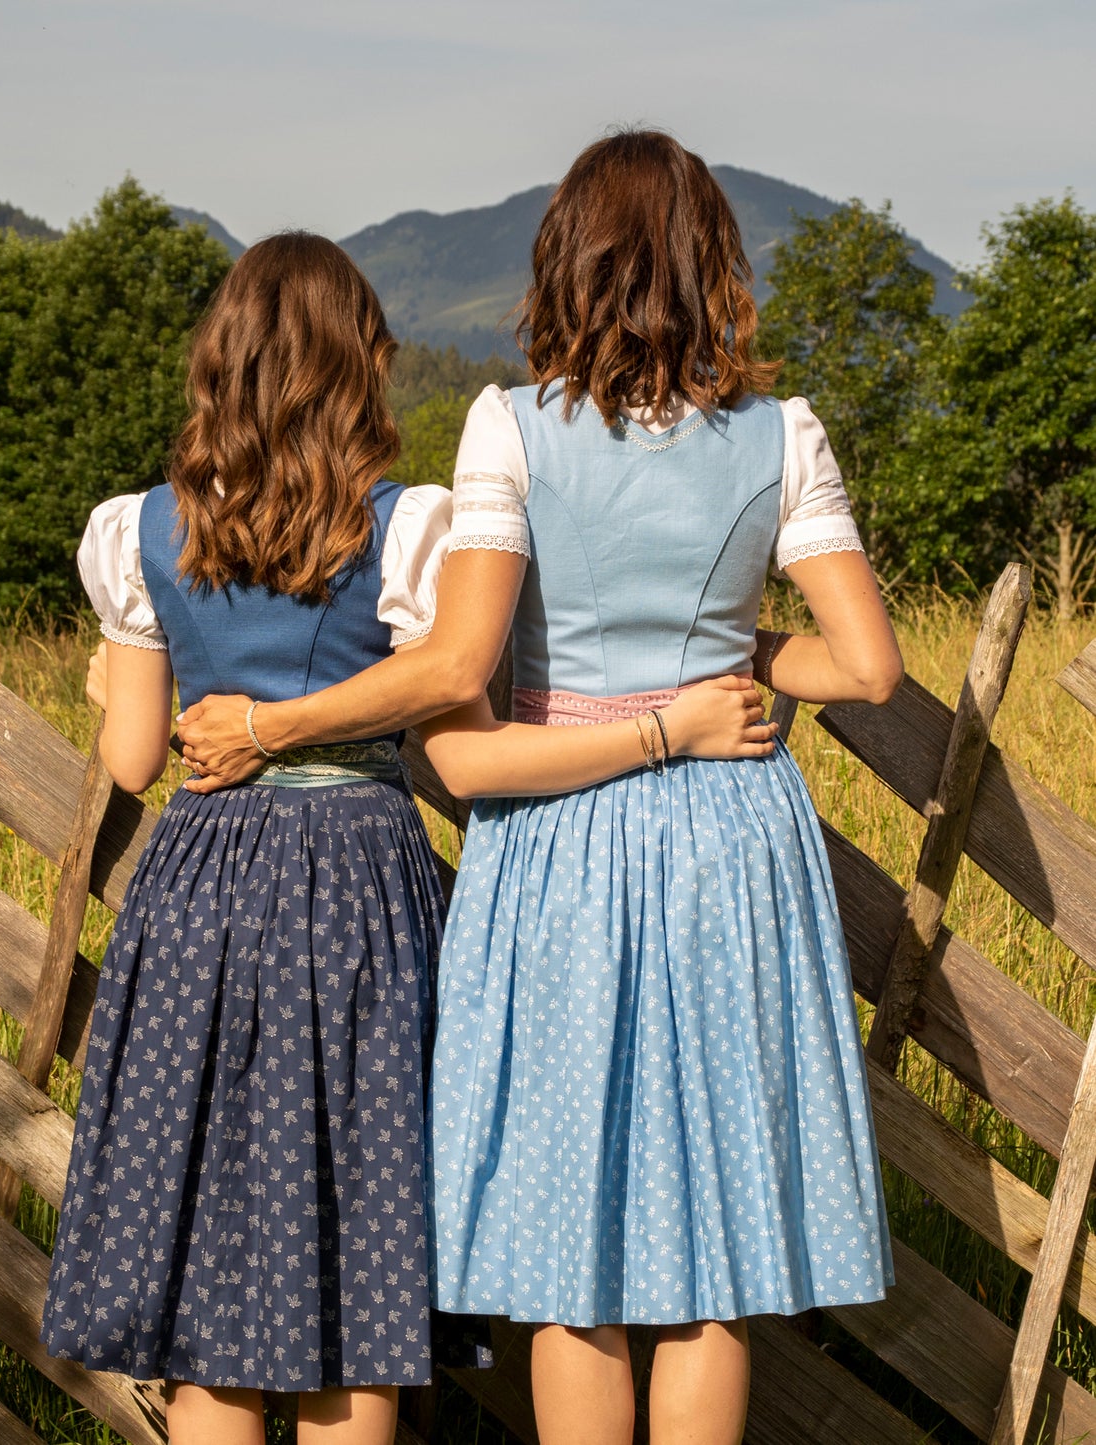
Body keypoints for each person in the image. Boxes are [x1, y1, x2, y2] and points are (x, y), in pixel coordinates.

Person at [177, 133, 902, 1445]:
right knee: (711, 1268)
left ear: (568, 262)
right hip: (729, 837)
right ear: (711, 266)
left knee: (576, 1269)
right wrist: (728, 653)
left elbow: (466, 664)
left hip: (558, 836)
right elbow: (864, 666)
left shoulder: (506, 426)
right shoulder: (783, 433)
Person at [40, 230, 774, 1445]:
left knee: (205, 1291)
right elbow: (445, 682)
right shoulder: (405, 526)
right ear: (355, 372)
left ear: (215, 366)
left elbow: (131, 760)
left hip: (200, 889)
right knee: (353, 1260)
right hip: (356, 883)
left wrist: (104, 684)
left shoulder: (137, 533)